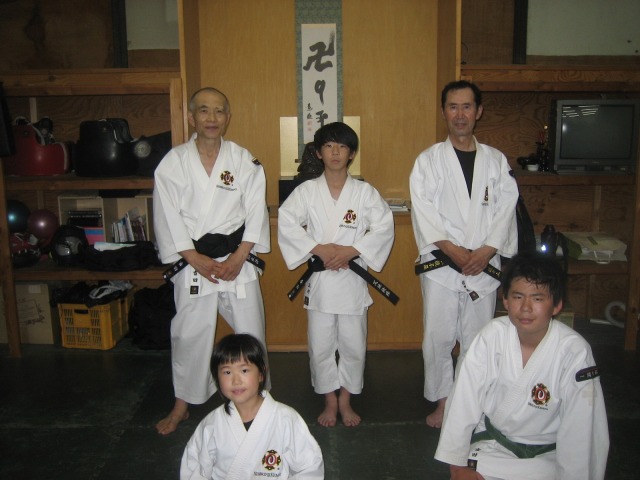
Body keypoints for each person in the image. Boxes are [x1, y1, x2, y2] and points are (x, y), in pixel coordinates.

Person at [153, 87, 270, 435]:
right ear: (191, 117)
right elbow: (167, 215)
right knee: (190, 333)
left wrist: (240, 255)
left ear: (228, 117)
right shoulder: (173, 163)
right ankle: (182, 403)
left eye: (219, 111)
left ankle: (259, 399)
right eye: (204, 111)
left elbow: (256, 211)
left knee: (251, 331)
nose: (212, 118)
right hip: (193, 261)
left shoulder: (244, 160)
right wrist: (194, 258)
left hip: (237, 259)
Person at [434, 254, 609, 479]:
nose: (526, 308)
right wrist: (457, 466)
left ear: (557, 305)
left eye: (537, 298)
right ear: (506, 301)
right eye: (518, 297)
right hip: (493, 448)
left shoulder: (575, 352)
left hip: (548, 455)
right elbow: (463, 400)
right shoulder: (491, 337)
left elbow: (582, 427)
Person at [409, 80, 519, 428]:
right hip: (442, 264)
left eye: (467, 107)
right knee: (438, 337)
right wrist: (454, 251)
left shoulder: (496, 161)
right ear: (444, 112)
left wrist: (486, 251)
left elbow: (506, 210)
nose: (460, 114)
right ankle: (444, 401)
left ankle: (470, 401)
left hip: (483, 264)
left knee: (478, 337)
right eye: (453, 107)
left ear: (478, 112)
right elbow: (423, 211)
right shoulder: (428, 161)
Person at [278, 122, 395, 427]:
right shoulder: (306, 191)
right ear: (318, 152)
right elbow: (287, 222)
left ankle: (346, 399)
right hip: (321, 281)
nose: (335, 152)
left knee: (353, 344)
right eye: (328, 146)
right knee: (321, 345)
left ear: (351, 153)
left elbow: (384, 226)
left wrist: (351, 250)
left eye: (342, 146)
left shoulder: (364, 192)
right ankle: (330, 399)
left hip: (351, 279)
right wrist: (318, 248)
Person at [181, 333, 324, 479]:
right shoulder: (211, 424)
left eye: (244, 370)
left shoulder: (286, 419)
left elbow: (309, 466)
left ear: (261, 374)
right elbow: (193, 468)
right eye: (227, 372)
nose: (236, 381)